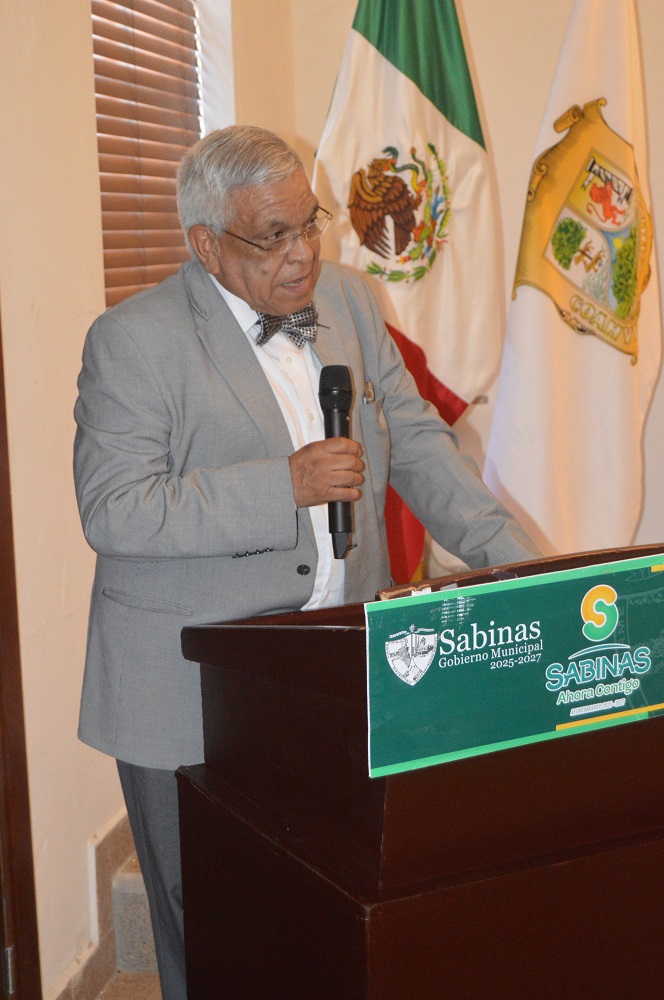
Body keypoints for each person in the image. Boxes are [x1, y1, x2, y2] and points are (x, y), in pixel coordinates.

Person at [73, 125, 539, 999]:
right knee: (208, 924)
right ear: (205, 243)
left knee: (319, 907)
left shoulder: (351, 302)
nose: (302, 254)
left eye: (309, 224)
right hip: (188, 687)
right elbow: (115, 508)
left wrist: (524, 567)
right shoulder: (132, 341)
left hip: (324, 669)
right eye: (272, 236)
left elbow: (418, 443)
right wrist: (281, 486)